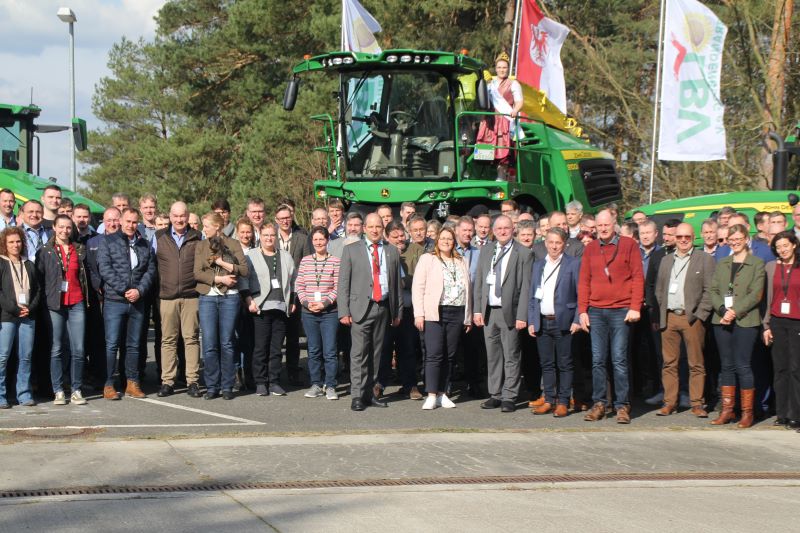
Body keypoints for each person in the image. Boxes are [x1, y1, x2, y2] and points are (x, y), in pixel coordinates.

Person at [579, 209, 644, 424]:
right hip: (596, 311)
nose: (603, 228)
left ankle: (622, 405)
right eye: (599, 226)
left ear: (614, 223)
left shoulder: (629, 245)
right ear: (595, 228)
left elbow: (637, 277)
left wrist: (635, 306)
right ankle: (599, 403)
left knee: (618, 359)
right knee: (598, 360)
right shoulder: (591, 249)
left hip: (621, 311)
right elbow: (584, 281)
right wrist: (582, 311)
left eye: (607, 224)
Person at [338, 213, 403, 412]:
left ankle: (371, 393)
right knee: (359, 354)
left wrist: (397, 311)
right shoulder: (351, 250)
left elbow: (396, 286)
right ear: (364, 228)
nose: (375, 230)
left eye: (378, 227)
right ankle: (357, 395)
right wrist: (343, 311)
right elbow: (343, 284)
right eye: (371, 227)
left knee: (377, 354)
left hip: (383, 307)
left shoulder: (392, 251)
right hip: (360, 309)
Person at [653, 223, 715, 417]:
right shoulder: (666, 260)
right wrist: (663, 312)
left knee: (696, 362)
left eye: (687, 237)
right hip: (669, 317)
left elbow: (710, 290)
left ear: (693, 237)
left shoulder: (704, 259)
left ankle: (697, 403)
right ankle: (670, 402)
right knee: (669, 363)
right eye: (679, 237)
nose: (683, 240)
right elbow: (659, 289)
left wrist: (699, 314)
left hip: (691, 318)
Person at [472, 215, 533, 412]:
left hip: (511, 312)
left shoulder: (523, 253)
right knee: (493, 355)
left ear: (513, 229)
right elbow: (480, 282)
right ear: (493, 230)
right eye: (498, 228)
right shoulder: (487, 250)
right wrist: (477, 309)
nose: (502, 231)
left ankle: (509, 396)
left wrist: (522, 315)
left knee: (511, 355)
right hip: (490, 311)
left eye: (506, 228)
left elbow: (526, 287)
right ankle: (495, 394)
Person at [708, 224, 765, 428]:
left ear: (746, 238)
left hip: (746, 320)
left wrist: (735, 311)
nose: (735, 242)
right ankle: (727, 410)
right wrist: (723, 311)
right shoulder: (722, 262)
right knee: (726, 366)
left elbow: (756, 293)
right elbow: (713, 290)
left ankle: (747, 412)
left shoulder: (757, 264)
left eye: (738, 239)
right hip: (721, 319)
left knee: (743, 365)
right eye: (731, 239)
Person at [97, 208, 157, 400]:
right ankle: (108, 383)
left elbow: (150, 270)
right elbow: (105, 269)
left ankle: (132, 382)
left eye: (134, 222)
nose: (131, 225)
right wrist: (125, 289)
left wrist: (139, 290)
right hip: (116, 301)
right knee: (112, 344)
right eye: (128, 221)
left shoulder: (144, 245)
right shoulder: (107, 242)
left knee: (133, 345)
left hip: (137, 301)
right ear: (121, 222)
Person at [413, 227, 471, 410]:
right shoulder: (428, 259)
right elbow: (418, 287)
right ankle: (431, 393)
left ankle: (443, 393)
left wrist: (467, 317)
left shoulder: (462, 260)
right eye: (443, 238)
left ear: (454, 241)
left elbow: (468, 289)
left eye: (450, 239)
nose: (446, 241)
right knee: (434, 354)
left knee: (450, 355)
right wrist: (419, 314)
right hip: (434, 312)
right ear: (437, 240)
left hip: (457, 312)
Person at [527, 227, 581, 417]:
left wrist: (577, 319)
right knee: (547, 363)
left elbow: (580, 294)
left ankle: (564, 401)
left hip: (563, 321)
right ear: (545, 243)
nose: (554, 246)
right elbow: (533, 295)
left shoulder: (573, 264)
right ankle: (549, 399)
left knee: (565, 364)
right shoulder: (538, 265)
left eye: (558, 242)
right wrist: (532, 320)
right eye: (551, 242)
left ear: (564, 244)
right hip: (543, 321)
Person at [194, 212, 248, 400]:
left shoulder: (233, 244)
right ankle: (212, 386)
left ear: (217, 227)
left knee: (226, 342)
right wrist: (219, 278)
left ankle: (227, 386)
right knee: (209, 343)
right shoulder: (201, 245)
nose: (203, 229)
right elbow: (197, 273)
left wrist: (223, 263)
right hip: (208, 297)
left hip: (229, 298)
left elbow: (244, 270)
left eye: (206, 226)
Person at [36, 215, 89, 406]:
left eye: (68, 227)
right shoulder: (45, 251)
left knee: (78, 348)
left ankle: (76, 389)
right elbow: (39, 280)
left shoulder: (79, 249)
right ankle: (58, 390)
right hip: (55, 304)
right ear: (54, 228)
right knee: (56, 348)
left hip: (76, 302)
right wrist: (43, 302)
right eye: (61, 227)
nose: (65, 231)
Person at [153, 201, 203, 398]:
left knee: (191, 339)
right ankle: (168, 381)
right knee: (168, 340)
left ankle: (193, 381)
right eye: (175, 216)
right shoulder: (159, 237)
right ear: (170, 217)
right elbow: (151, 265)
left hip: (191, 295)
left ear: (187, 215)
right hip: (167, 296)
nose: (179, 219)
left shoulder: (198, 237)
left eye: (182, 216)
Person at [244, 223, 296, 397]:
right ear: (260, 236)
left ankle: (274, 381)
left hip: (280, 307)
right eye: (265, 235)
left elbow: (293, 280)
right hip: (260, 307)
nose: (269, 238)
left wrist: (292, 300)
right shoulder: (252, 256)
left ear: (276, 236)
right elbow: (244, 280)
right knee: (260, 347)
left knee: (276, 348)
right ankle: (260, 381)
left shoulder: (286, 256)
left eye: (272, 235)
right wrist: (249, 300)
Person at [296, 226, 341, 400]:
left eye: (321, 239)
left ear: (327, 240)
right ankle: (316, 383)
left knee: (329, 350)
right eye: (315, 239)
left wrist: (324, 303)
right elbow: (299, 285)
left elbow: (337, 287)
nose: (318, 242)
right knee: (313, 350)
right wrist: (307, 303)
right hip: (308, 312)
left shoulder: (336, 261)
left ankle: (330, 385)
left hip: (329, 312)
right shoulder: (305, 261)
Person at [381, 220, 424, 399]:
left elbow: (420, 277)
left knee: (407, 348)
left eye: (402, 235)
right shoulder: (381, 251)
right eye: (395, 236)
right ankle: (379, 384)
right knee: (383, 349)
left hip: (407, 308)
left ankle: (411, 385)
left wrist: (403, 281)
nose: (400, 239)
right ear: (387, 237)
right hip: (386, 308)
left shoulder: (416, 250)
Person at [762, 231, 800, 430]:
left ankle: (796, 413)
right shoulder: (771, 267)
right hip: (777, 321)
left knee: (796, 369)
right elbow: (767, 299)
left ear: (794, 245)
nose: (782, 250)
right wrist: (766, 325)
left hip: (797, 323)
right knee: (780, 369)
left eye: (786, 245)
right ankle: (782, 412)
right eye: (778, 247)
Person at [0, 227, 41, 408]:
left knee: (26, 356)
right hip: (7, 316)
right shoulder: (1, 263)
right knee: (3, 356)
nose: (15, 245)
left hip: (28, 316)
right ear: (4, 244)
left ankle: (24, 394)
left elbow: (38, 290)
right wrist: (15, 309)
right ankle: (1, 395)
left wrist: (29, 308)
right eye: (11, 242)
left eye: (18, 241)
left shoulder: (29, 264)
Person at [275, 203, 310, 386]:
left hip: (295, 292)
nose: (285, 221)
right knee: (276, 336)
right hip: (275, 294)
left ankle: (293, 370)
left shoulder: (302, 238)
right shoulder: (270, 237)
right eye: (281, 219)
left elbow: (305, 267)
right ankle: (275, 372)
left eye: (287, 217)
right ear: (276, 220)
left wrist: (298, 294)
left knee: (293, 336)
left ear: (292, 217)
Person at [477, 51, 523, 181]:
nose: (502, 70)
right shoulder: (490, 84)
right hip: (490, 120)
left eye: (504, 67)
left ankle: (501, 176)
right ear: (496, 69)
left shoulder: (513, 84)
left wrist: (515, 110)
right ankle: (482, 175)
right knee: (485, 147)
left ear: (508, 69)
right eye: (499, 67)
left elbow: (519, 101)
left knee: (503, 149)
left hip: (504, 120)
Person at [233, 218, 256, 390]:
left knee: (249, 341)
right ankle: (236, 374)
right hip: (235, 299)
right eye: (243, 232)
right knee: (235, 339)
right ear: (237, 232)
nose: (246, 235)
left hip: (252, 300)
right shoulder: (232, 251)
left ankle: (249, 373)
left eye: (248, 232)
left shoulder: (257, 251)